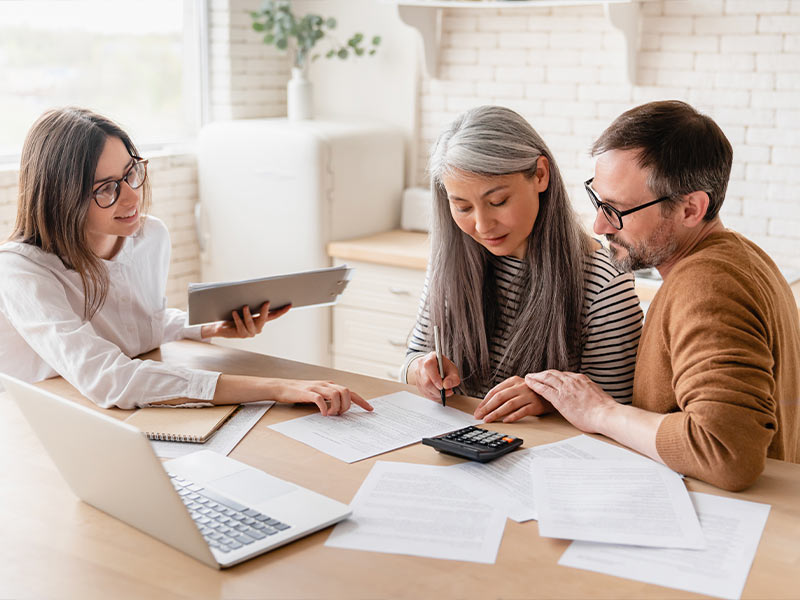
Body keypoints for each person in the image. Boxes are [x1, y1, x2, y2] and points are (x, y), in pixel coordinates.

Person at [0, 107, 372, 416]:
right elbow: (109, 377)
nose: (132, 197)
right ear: (60, 196)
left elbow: (135, 327)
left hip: (112, 417)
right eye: (107, 188)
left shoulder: (148, 237)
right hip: (38, 422)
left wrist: (209, 327)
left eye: (131, 173)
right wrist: (278, 387)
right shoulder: (22, 272)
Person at [524, 100, 800, 491]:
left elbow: (727, 453)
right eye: (597, 200)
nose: (600, 223)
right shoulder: (744, 257)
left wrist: (601, 411)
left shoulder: (706, 287)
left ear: (691, 208)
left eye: (617, 209)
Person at [401, 105, 643, 422]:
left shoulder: (604, 282)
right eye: (462, 207)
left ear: (540, 175)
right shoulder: (451, 260)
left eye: (497, 202)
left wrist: (550, 399)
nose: (482, 225)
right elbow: (411, 359)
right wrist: (422, 370)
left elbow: (617, 410)